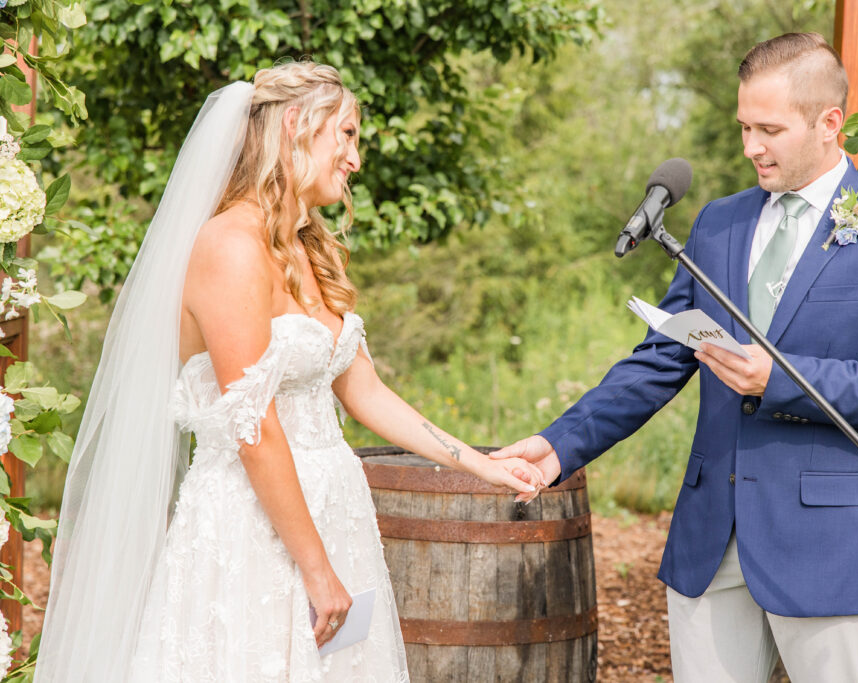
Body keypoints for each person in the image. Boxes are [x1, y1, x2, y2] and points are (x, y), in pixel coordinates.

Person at [36, 61, 542, 682]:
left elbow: (364, 389)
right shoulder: (228, 247)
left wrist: (480, 464)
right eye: (348, 135)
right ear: (298, 124)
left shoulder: (310, 247)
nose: (356, 159)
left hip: (336, 514)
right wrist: (316, 568)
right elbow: (255, 428)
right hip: (257, 527)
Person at [493, 32, 858, 682]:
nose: (750, 147)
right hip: (710, 541)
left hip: (832, 546)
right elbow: (659, 360)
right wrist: (559, 443)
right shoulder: (718, 223)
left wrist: (782, 380)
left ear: (830, 124)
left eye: (769, 129)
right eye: (744, 126)